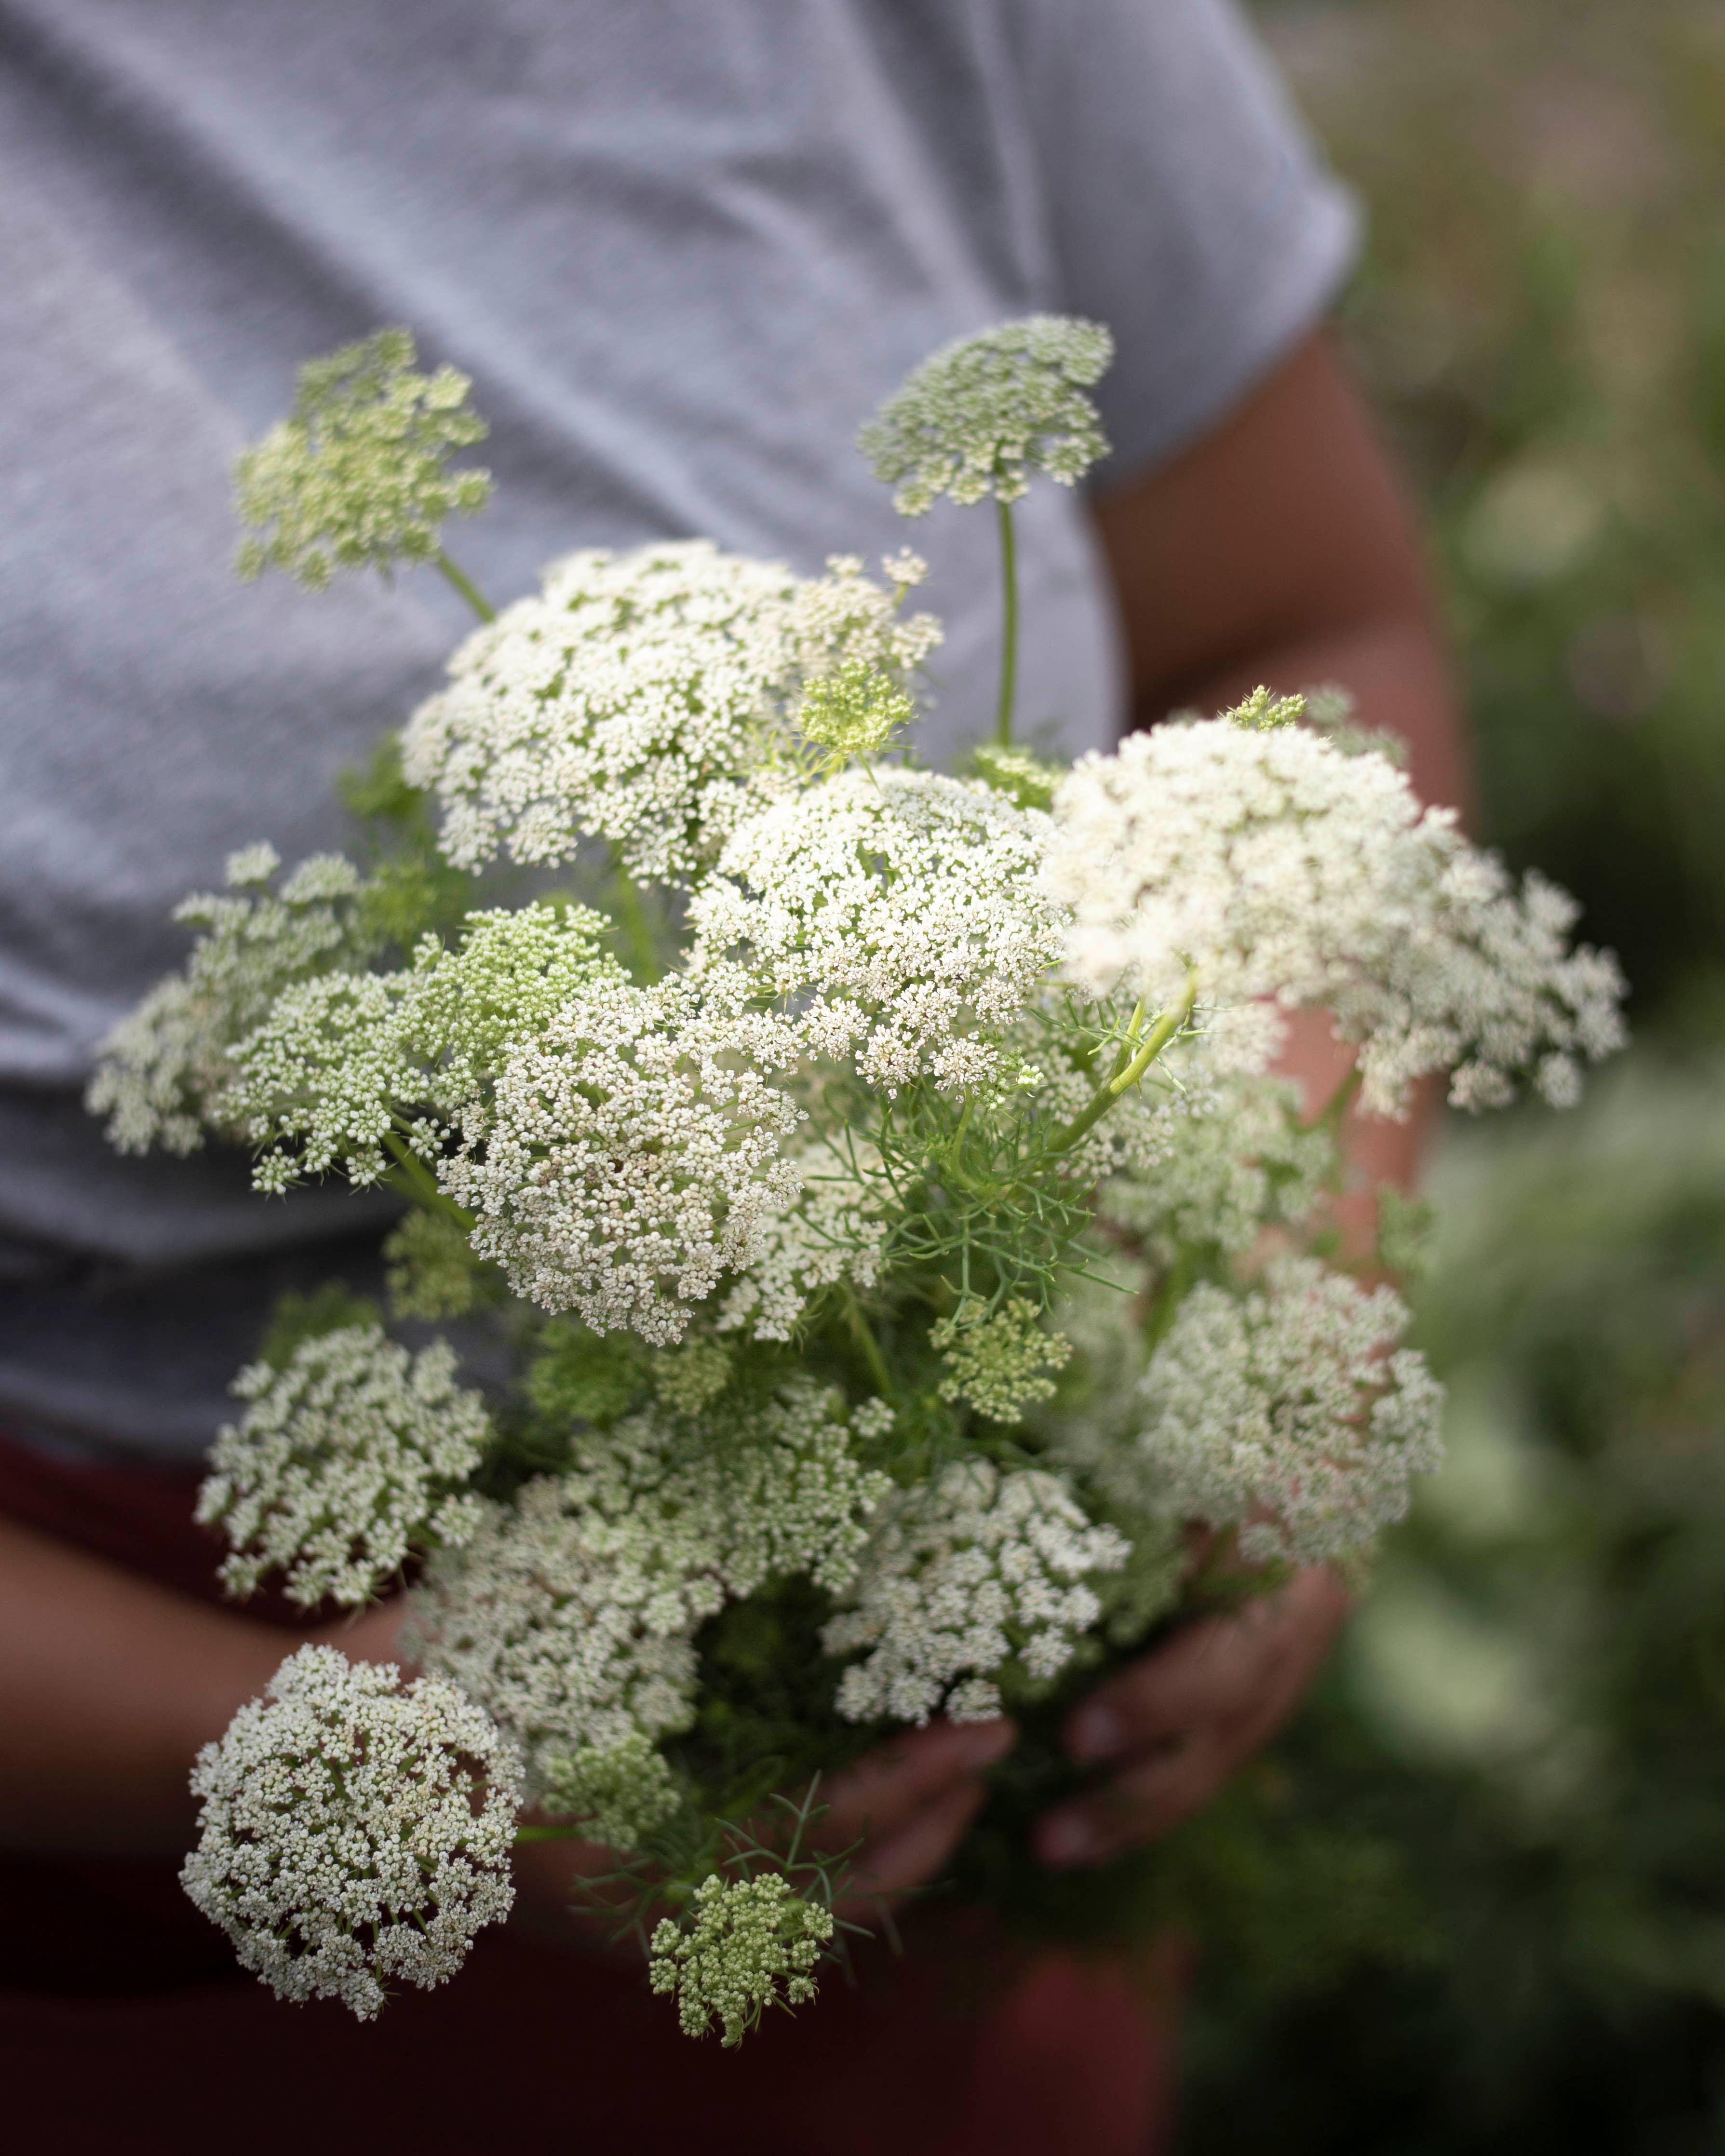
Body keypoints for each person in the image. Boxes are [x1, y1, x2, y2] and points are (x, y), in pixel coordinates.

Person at [0, 2, 1465, 2149]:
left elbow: (1313, 631)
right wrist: (344, 1756)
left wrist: (1285, 1333)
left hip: (984, 1871)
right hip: (169, 1925)